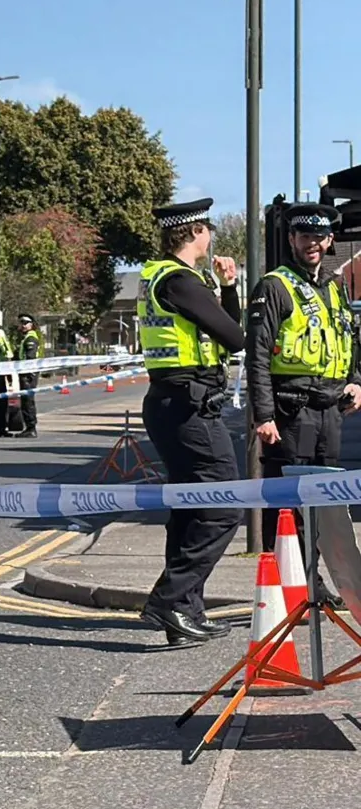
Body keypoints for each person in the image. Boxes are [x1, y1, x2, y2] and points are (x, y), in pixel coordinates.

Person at [136, 197, 246, 647]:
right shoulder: (179, 281)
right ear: (194, 233)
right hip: (187, 408)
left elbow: (223, 336)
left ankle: (184, 614)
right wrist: (225, 297)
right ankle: (170, 598)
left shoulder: (173, 278)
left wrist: (229, 288)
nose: (211, 237)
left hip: (177, 405)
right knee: (224, 506)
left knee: (190, 509)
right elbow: (236, 336)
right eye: (208, 229)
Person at [246, 202, 361, 607]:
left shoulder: (333, 285)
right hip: (290, 411)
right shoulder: (274, 286)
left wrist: (356, 381)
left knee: (323, 505)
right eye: (304, 236)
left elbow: (348, 339)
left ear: (329, 240)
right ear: (292, 239)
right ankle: (283, 592)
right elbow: (257, 355)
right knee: (287, 505)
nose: (312, 243)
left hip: (330, 408)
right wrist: (263, 415)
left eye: (319, 236)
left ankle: (311, 585)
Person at [16, 314, 42, 437]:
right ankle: (29, 427)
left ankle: (31, 428)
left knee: (28, 401)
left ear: (31, 324)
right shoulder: (26, 337)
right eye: (21, 322)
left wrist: (27, 374)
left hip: (28, 374)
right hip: (26, 373)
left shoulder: (31, 338)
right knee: (26, 400)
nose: (23, 325)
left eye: (26, 323)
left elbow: (30, 357)